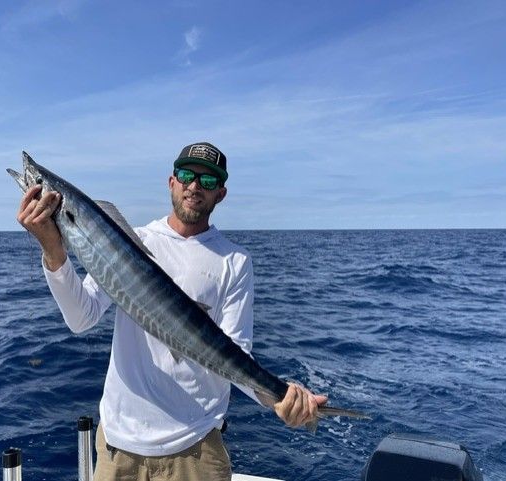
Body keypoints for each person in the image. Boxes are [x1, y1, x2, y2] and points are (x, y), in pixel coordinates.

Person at [16, 142, 327, 481]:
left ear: (220, 193)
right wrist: (52, 249)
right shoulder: (132, 239)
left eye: (208, 181)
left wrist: (277, 399)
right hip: (119, 447)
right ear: (171, 182)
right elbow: (82, 317)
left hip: (196, 452)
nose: (195, 186)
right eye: (186, 175)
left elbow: (235, 354)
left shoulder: (234, 261)